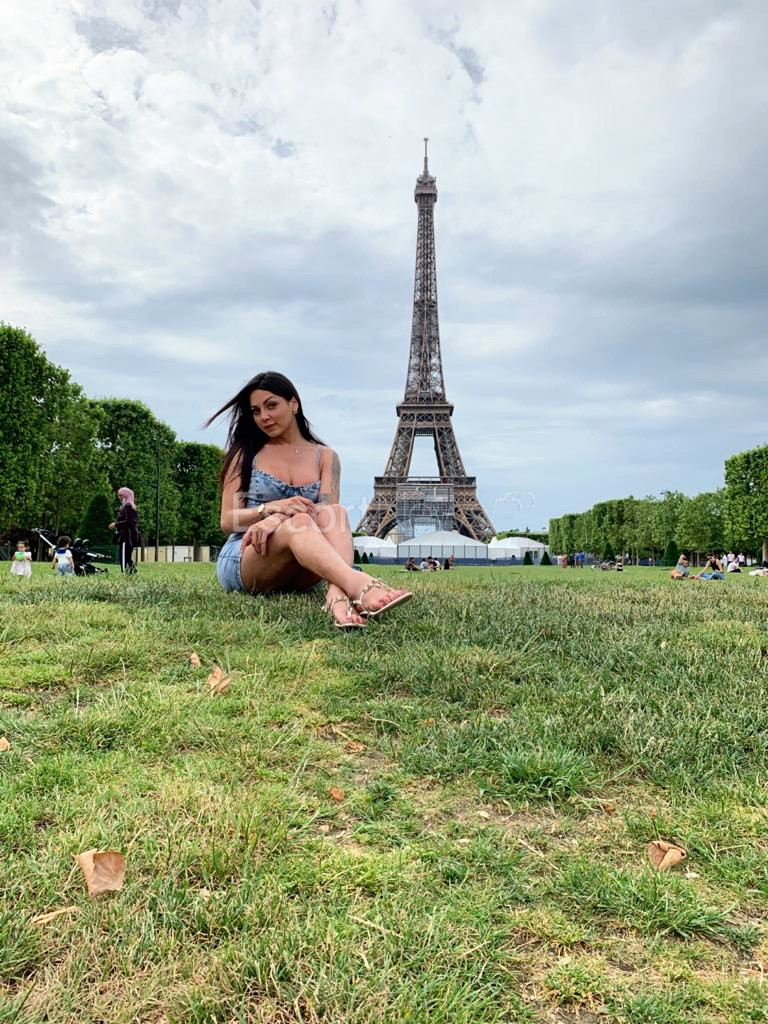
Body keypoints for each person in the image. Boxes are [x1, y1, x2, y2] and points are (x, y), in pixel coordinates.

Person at [206, 372, 411, 629]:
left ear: (294, 403)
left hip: (303, 564)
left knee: (335, 512)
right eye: (256, 411)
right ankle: (358, 584)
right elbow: (228, 521)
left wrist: (280, 517)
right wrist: (269, 509)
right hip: (248, 556)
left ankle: (336, 593)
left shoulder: (326, 457)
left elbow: (327, 515)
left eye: (271, 405)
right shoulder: (244, 455)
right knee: (301, 521)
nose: (264, 416)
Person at [109, 487, 139, 574]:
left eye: (120, 495)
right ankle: (132, 572)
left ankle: (125, 573)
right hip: (129, 535)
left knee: (123, 556)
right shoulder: (129, 506)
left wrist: (116, 524)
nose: (118, 497)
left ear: (126, 495)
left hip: (126, 536)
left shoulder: (128, 506)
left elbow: (129, 521)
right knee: (127, 556)